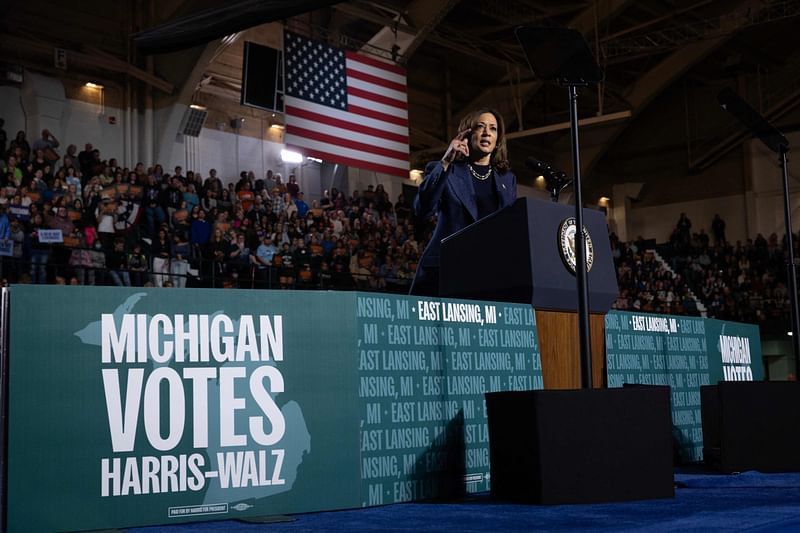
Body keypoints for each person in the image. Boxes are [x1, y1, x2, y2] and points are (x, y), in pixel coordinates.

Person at [409, 107, 517, 296]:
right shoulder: (445, 169)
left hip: (490, 274)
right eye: (480, 127)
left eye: (493, 129)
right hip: (447, 270)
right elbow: (422, 210)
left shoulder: (507, 179)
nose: (486, 133)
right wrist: (446, 161)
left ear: (498, 139)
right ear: (467, 133)